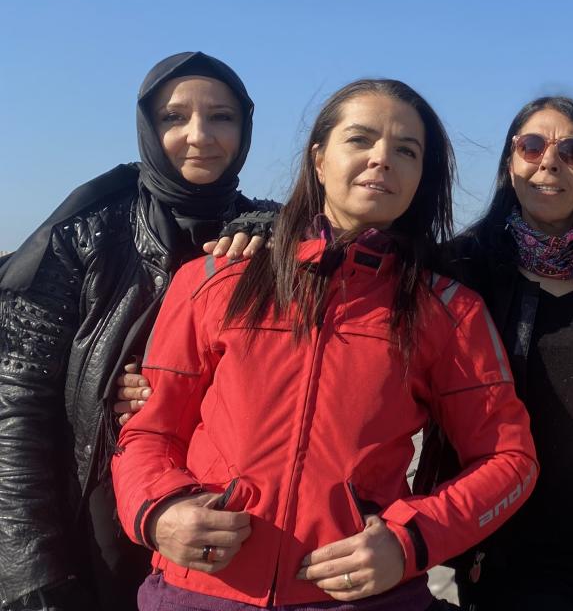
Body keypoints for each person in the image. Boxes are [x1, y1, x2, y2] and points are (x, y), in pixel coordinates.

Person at [110, 79, 537, 609]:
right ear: (318, 159)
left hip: (363, 598)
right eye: (360, 139)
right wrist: (159, 511)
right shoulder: (210, 281)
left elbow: (509, 460)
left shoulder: (449, 311)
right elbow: (148, 431)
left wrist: (410, 541)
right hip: (197, 592)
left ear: (421, 177)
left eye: (406, 150)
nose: (382, 158)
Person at [0, 52, 268, 610]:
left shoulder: (269, 237)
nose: (200, 136)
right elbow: (17, 402)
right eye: (174, 117)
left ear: (245, 127)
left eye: (221, 117)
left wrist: (277, 228)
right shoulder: (85, 234)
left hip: (229, 526)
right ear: (147, 126)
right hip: (90, 520)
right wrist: (32, 573)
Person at [442, 97, 573, 610]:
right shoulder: (462, 270)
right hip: (506, 542)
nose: (550, 162)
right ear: (510, 163)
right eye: (532, 146)